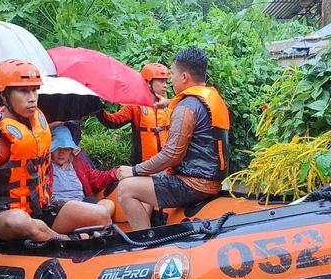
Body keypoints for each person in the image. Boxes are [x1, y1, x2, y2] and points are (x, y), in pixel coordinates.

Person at [0, 59, 111, 242]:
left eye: (34, 90)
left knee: (100, 214)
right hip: (3, 217)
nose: (32, 98)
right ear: (2, 96)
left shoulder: (39, 122)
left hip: (41, 210)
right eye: (23, 91)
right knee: (20, 221)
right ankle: (68, 242)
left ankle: (57, 239)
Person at [115, 48, 230, 230]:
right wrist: (168, 103)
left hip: (193, 184)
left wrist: (135, 170)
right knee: (150, 175)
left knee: (126, 189)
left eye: (173, 74)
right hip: (211, 180)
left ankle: (145, 242)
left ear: (184, 77)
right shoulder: (211, 97)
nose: (171, 81)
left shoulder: (186, 107)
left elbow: (172, 155)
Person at [96, 63, 172, 165]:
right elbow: (113, 121)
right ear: (148, 83)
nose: (165, 85)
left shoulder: (170, 105)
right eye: (161, 81)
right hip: (143, 166)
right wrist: (97, 109)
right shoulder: (135, 106)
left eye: (166, 81)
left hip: (166, 166)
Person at [48, 126, 117, 216]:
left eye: (66, 148)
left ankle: (90, 222)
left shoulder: (78, 162)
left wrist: (118, 173)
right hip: (59, 205)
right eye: (57, 148)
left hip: (82, 201)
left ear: (71, 150)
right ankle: (91, 222)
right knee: (75, 209)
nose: (61, 153)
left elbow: (96, 178)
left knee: (108, 204)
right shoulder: (44, 166)